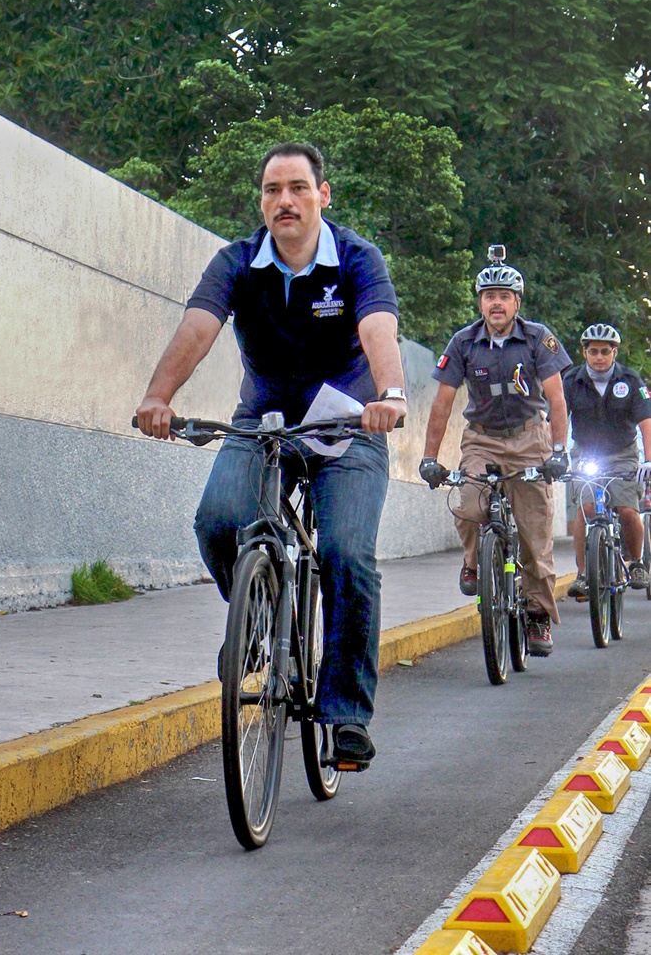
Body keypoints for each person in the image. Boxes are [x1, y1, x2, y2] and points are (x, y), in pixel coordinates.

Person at [136, 141, 407, 765]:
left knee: (346, 554)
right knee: (218, 520)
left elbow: (378, 330)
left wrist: (390, 394)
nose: (284, 201)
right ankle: (260, 620)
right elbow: (198, 328)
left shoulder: (358, 258)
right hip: (265, 423)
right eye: (272, 190)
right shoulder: (236, 262)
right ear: (261, 201)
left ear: (323, 196)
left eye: (297, 188)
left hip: (349, 426)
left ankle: (346, 714)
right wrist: (157, 396)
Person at [418, 245, 571, 657]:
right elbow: (442, 403)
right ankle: (473, 562)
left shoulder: (538, 338)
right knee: (467, 503)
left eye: (504, 296)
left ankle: (537, 615)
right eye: (489, 297)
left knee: (535, 536)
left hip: (529, 438)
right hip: (482, 439)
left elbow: (556, 400)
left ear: (517, 302)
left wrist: (558, 451)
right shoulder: (463, 342)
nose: (497, 303)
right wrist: (430, 458)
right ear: (480, 302)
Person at [563, 323, 651, 597]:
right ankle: (582, 574)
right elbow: (557, 417)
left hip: (623, 454)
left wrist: (648, 461)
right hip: (586, 454)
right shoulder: (571, 381)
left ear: (614, 353)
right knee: (586, 508)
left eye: (605, 351)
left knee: (627, 510)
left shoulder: (631, 380)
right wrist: (555, 453)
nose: (599, 357)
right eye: (593, 351)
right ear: (584, 353)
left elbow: (646, 422)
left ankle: (636, 563)